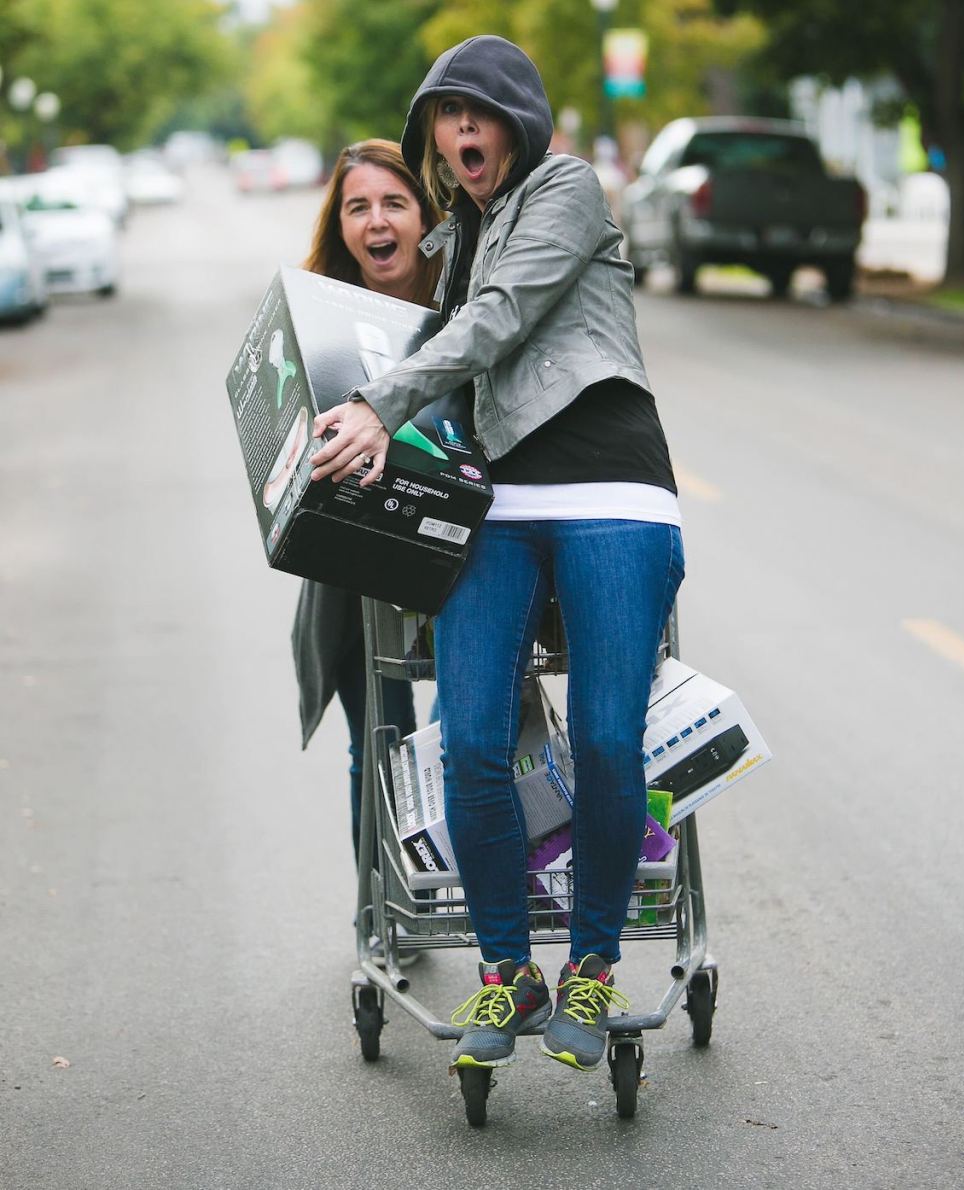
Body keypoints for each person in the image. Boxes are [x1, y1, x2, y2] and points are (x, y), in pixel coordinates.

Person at [310, 37, 684, 1074]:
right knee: (469, 735)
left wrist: (379, 404)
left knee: (608, 737)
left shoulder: (565, 187)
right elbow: (391, 306)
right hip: (499, 505)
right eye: (447, 115)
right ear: (432, 132)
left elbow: (499, 319)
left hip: (612, 486)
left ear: (518, 120)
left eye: (482, 112)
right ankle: (508, 969)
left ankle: (595, 963)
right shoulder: (457, 232)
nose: (465, 130)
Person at [291, 140, 441, 864]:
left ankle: (460, 887)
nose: (377, 221)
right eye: (358, 207)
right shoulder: (318, 317)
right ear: (341, 226)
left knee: (455, 744)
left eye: (393, 203)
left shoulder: (466, 305)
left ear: (423, 216)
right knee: (379, 743)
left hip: (457, 559)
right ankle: (379, 911)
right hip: (354, 569)